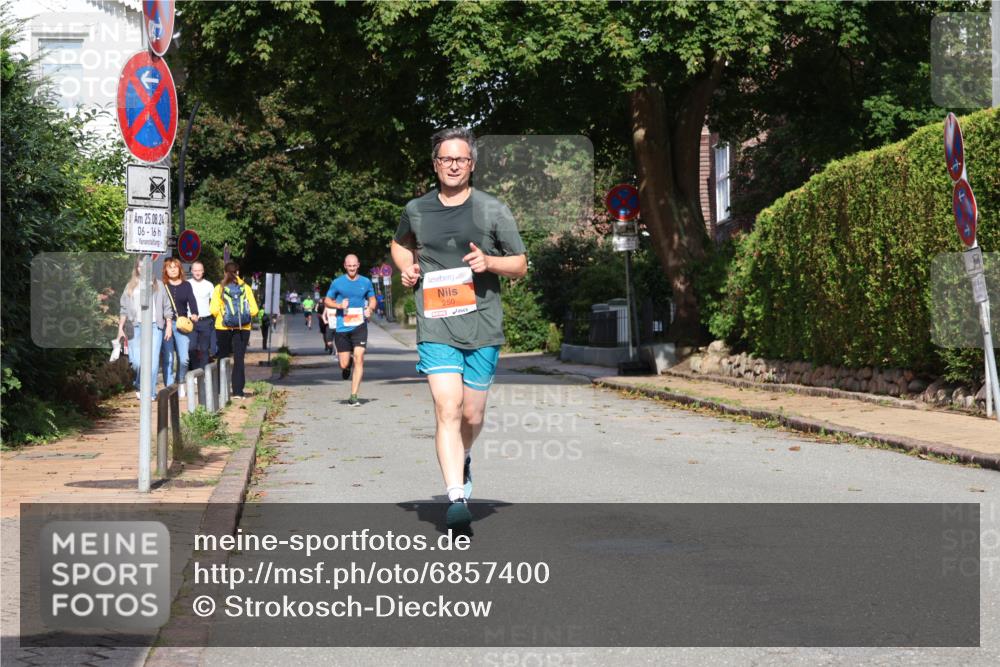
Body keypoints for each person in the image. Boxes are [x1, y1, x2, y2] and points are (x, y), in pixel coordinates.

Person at [391, 127, 527, 532]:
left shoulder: (492, 209)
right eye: (446, 159)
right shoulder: (416, 209)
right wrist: (407, 267)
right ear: (435, 165)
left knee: (471, 413)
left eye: (461, 159)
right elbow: (400, 244)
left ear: (472, 165)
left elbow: (520, 263)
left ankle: (463, 457)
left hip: (482, 324)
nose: (453, 165)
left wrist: (490, 262)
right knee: (447, 407)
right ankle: (456, 498)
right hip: (436, 323)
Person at [117, 261, 174, 400]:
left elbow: (167, 306)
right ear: (136, 268)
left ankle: (150, 392)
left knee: (153, 364)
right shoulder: (130, 286)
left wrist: (168, 326)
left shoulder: (158, 284)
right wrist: (120, 328)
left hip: (155, 326)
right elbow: (124, 309)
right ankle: (139, 384)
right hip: (135, 327)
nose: (143, 268)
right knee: (137, 363)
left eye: (145, 266)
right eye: (140, 266)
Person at [324, 254, 376, 406]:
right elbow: (327, 300)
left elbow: (372, 299)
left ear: (358, 265)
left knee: (360, 358)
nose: (352, 268)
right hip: (342, 328)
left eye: (354, 266)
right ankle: (347, 365)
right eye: (349, 266)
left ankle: (354, 396)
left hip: (360, 325)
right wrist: (339, 305)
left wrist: (370, 309)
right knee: (343, 364)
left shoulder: (365, 282)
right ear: (345, 266)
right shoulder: (337, 283)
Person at [210, 262, 260, 399]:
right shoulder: (246, 288)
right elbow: (254, 310)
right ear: (238, 273)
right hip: (242, 327)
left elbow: (213, 310)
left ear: (224, 273)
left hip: (223, 327)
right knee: (239, 359)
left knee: (222, 357)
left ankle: (220, 390)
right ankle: (238, 391)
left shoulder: (219, 288)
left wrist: (223, 316)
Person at [161, 258, 198, 398]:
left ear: (180, 269)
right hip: (166, 325)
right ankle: (170, 388)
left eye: (175, 267)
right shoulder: (162, 285)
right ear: (165, 270)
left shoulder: (186, 285)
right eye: (169, 267)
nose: (173, 270)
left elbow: (192, 301)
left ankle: (181, 381)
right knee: (168, 359)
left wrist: (194, 313)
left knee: (184, 359)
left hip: (181, 324)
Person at [187, 260, 215, 371]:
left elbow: (214, 302)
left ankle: (203, 373)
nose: (197, 273)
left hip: (205, 321)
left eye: (199, 270)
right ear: (192, 271)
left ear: (203, 271)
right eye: (195, 270)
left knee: (204, 349)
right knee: (191, 348)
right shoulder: (187, 284)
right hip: (190, 321)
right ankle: (195, 371)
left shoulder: (209, 285)